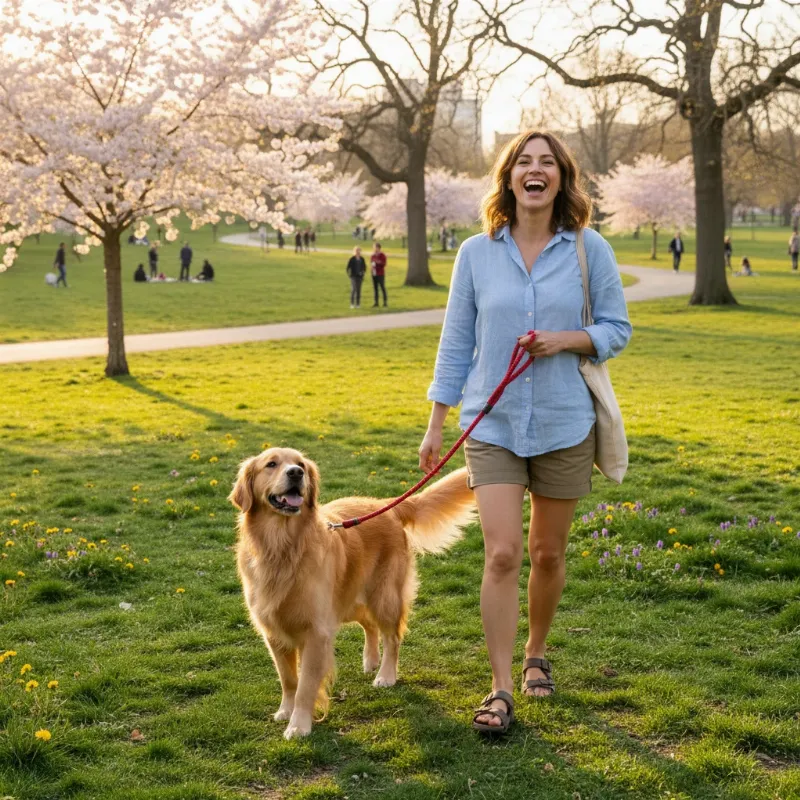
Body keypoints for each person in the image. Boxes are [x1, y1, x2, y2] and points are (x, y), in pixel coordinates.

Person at [419, 130, 631, 734]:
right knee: (504, 553)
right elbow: (456, 341)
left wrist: (565, 340)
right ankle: (501, 686)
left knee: (548, 552)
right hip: (495, 422)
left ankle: (538, 651)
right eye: (523, 162)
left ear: (561, 178)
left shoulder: (591, 250)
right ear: (509, 178)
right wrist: (436, 424)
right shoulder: (476, 254)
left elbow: (617, 328)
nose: (534, 171)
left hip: (567, 422)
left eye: (547, 163)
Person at [370, 241, 387, 307]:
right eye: (374, 248)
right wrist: (371, 268)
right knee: (375, 288)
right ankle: (376, 302)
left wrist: (378, 262)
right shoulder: (372, 256)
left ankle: (385, 302)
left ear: (379, 248)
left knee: (382, 287)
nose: (375, 249)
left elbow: (384, 264)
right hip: (374, 274)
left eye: (376, 247)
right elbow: (372, 263)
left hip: (380, 274)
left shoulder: (382, 255)